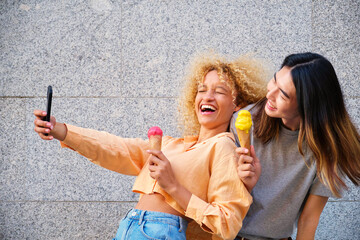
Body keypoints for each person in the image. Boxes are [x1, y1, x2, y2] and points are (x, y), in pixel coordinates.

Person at [33, 52, 268, 240]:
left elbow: (226, 223)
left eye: (219, 92)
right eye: (201, 90)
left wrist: (172, 185)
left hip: (160, 232)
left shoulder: (224, 148)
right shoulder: (172, 144)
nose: (207, 97)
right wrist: (61, 130)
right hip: (129, 227)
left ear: (238, 104)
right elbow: (116, 148)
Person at [233, 52, 360, 240]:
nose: (269, 94)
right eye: (274, 81)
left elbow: (308, 219)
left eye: (283, 95)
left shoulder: (329, 153)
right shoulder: (244, 120)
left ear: (307, 107)